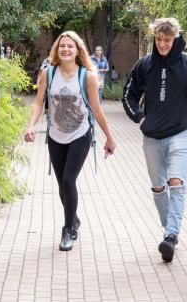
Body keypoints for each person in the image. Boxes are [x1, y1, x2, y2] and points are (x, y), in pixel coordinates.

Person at [122, 17, 187, 263]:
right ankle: (170, 230)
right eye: (158, 39)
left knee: (176, 183)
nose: (162, 44)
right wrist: (140, 118)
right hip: (152, 136)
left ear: (175, 39)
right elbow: (128, 95)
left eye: (166, 40)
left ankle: (171, 237)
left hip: (180, 134)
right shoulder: (144, 65)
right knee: (158, 186)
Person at [24, 32, 117, 251]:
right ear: (57, 50)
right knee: (61, 187)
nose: (65, 49)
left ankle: (68, 230)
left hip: (80, 135)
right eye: (62, 46)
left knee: (68, 180)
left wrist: (109, 137)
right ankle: (73, 218)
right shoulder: (49, 73)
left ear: (78, 51)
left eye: (70, 46)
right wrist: (30, 126)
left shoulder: (88, 76)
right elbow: (39, 103)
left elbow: (96, 109)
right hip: (55, 135)